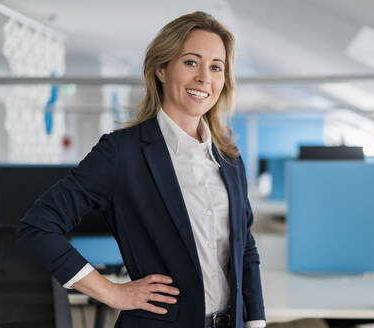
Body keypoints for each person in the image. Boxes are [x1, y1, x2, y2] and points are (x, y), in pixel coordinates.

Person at [17, 11, 266, 328]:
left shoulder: (229, 158)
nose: (205, 77)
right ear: (161, 69)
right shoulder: (122, 153)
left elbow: (245, 246)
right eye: (191, 62)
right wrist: (110, 292)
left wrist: (256, 321)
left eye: (216, 67)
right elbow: (37, 226)